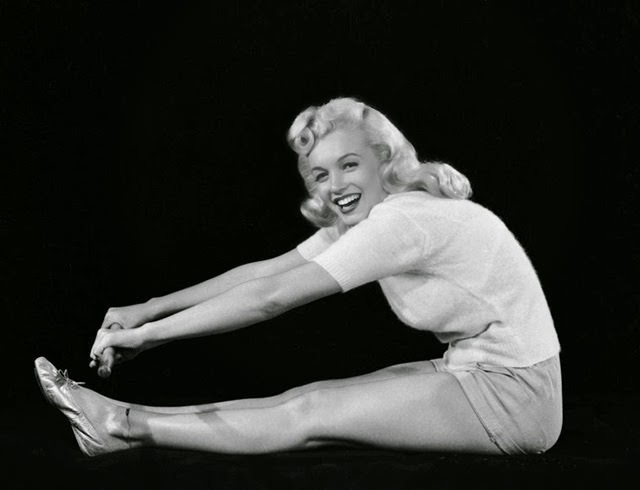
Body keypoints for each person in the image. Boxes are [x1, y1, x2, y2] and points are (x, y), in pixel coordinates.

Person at [35, 97, 562, 457]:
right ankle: (120, 427)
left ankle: (118, 424)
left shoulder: (405, 220)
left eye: (349, 165)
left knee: (311, 411)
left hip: (516, 397)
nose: (336, 186)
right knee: (309, 402)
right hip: (475, 369)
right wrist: (148, 308)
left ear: (384, 160)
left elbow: (269, 298)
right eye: (321, 173)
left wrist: (147, 338)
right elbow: (265, 271)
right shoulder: (372, 216)